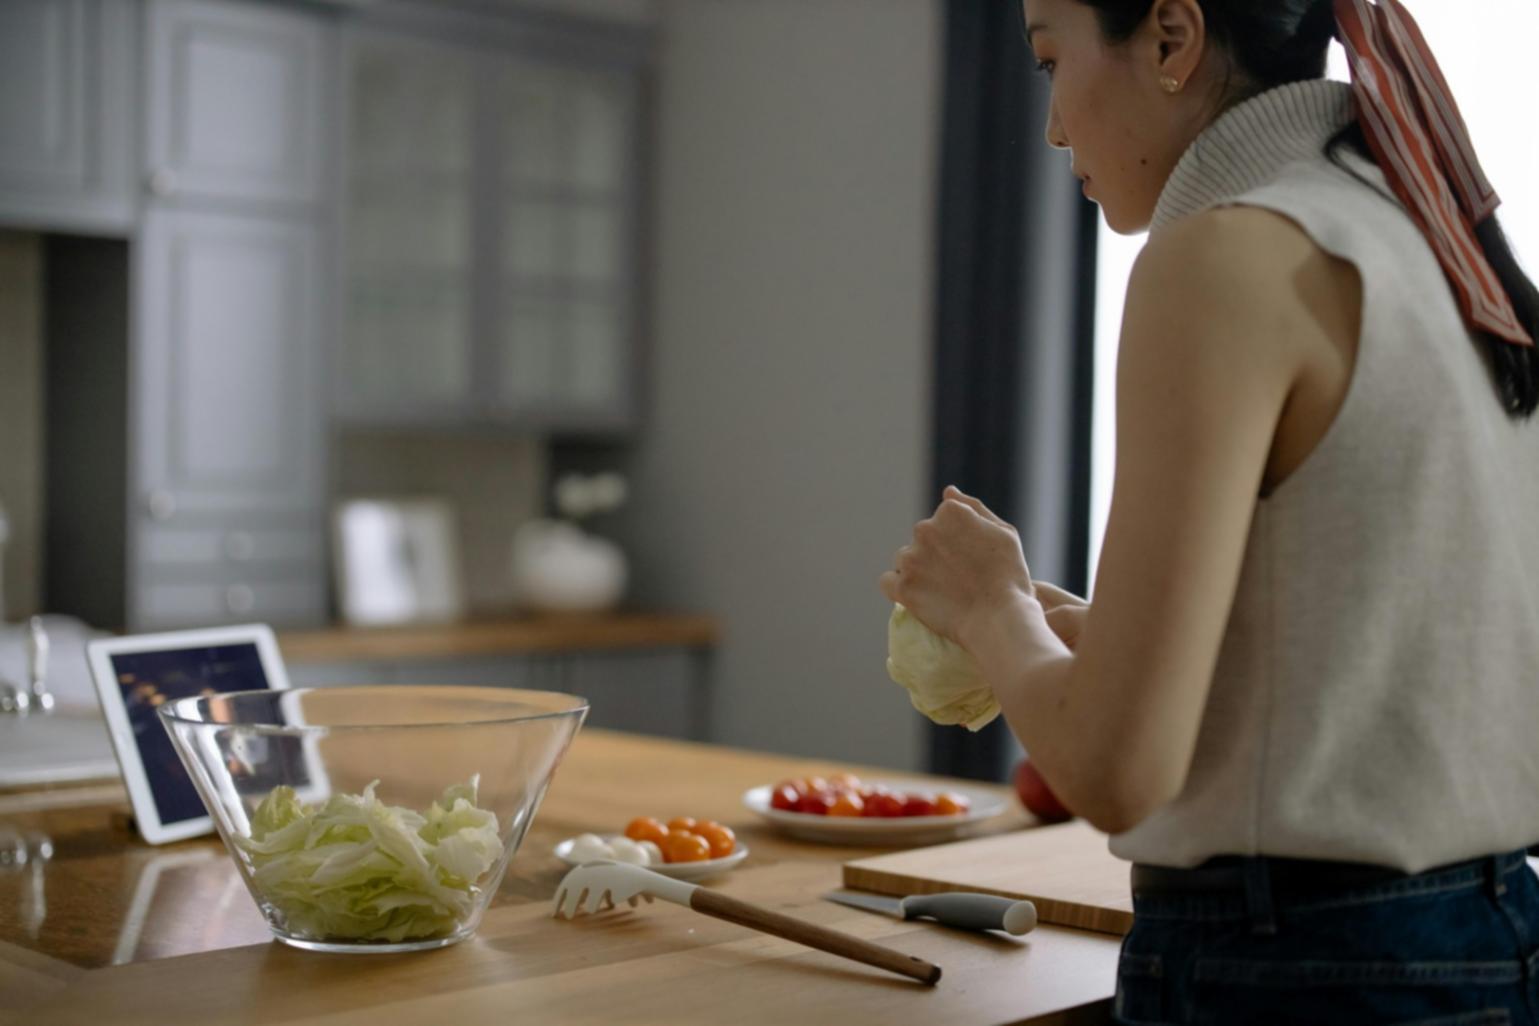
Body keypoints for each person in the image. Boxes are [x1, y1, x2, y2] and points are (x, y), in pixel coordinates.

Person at [879, 0, 1539, 1022]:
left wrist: (989, 608)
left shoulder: (1224, 257)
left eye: (1052, 60)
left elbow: (1117, 769)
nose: (1053, 126)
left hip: (1302, 962)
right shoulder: (1420, 231)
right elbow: (1364, 669)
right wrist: (1077, 631)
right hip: (1491, 937)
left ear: (1173, 40)